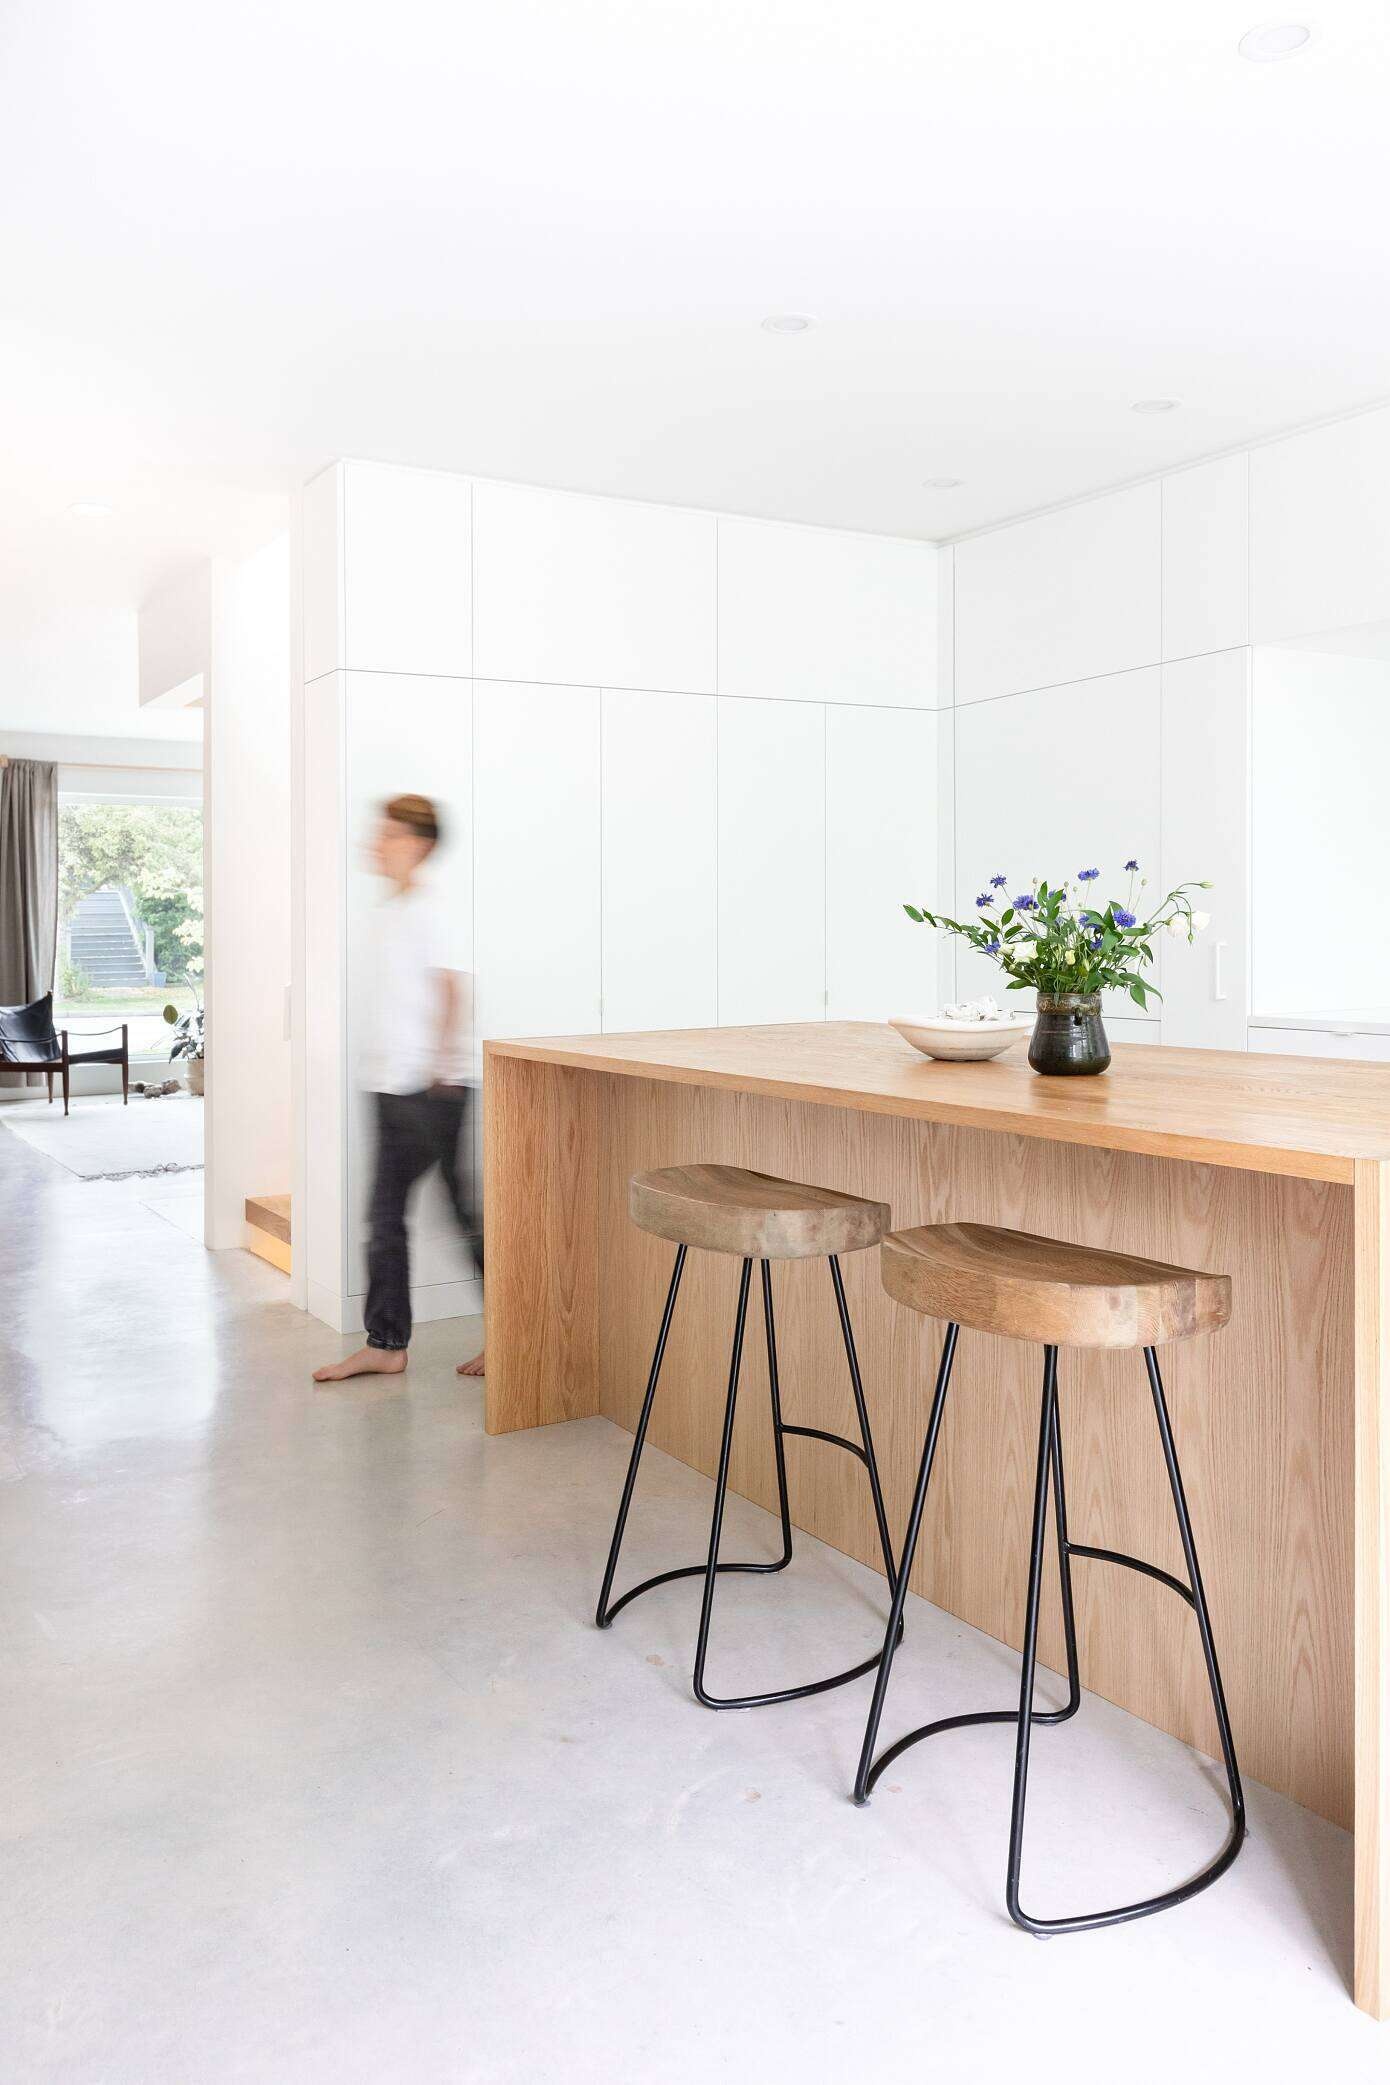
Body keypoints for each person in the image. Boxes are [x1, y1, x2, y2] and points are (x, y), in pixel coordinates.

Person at [313, 793, 485, 1383]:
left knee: (454, 1214)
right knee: (391, 1214)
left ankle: (511, 1335)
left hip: (428, 1089)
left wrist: (439, 1067)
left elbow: (452, 989)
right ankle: (387, 1344)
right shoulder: (390, 912)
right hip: (390, 1085)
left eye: (387, 833)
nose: (375, 842)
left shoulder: (432, 910)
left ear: (418, 844)